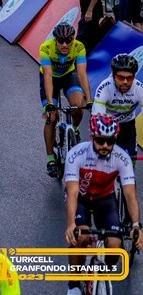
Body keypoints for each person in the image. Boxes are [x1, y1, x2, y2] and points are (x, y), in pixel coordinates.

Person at [64, 115, 143, 295]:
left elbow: (130, 195)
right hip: (81, 198)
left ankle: (102, 277)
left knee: (115, 244)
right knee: (81, 236)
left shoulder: (121, 158)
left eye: (110, 141)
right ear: (92, 137)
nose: (105, 146)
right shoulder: (76, 154)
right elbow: (73, 192)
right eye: (101, 141)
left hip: (105, 199)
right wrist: (70, 224)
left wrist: (136, 225)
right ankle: (74, 284)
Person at [40, 23, 92, 178]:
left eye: (68, 40)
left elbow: (82, 74)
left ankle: (74, 129)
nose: (64, 44)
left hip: (69, 76)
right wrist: (50, 103)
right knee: (52, 117)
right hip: (50, 79)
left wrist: (89, 100)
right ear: (55, 40)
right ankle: (50, 158)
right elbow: (48, 76)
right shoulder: (45, 48)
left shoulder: (79, 47)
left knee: (78, 104)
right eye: (61, 40)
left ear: (72, 39)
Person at [91, 53, 143, 161]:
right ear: (114, 75)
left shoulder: (139, 89)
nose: (125, 82)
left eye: (129, 78)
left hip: (128, 124)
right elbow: (97, 117)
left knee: (130, 158)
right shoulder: (105, 87)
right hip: (107, 125)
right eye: (121, 77)